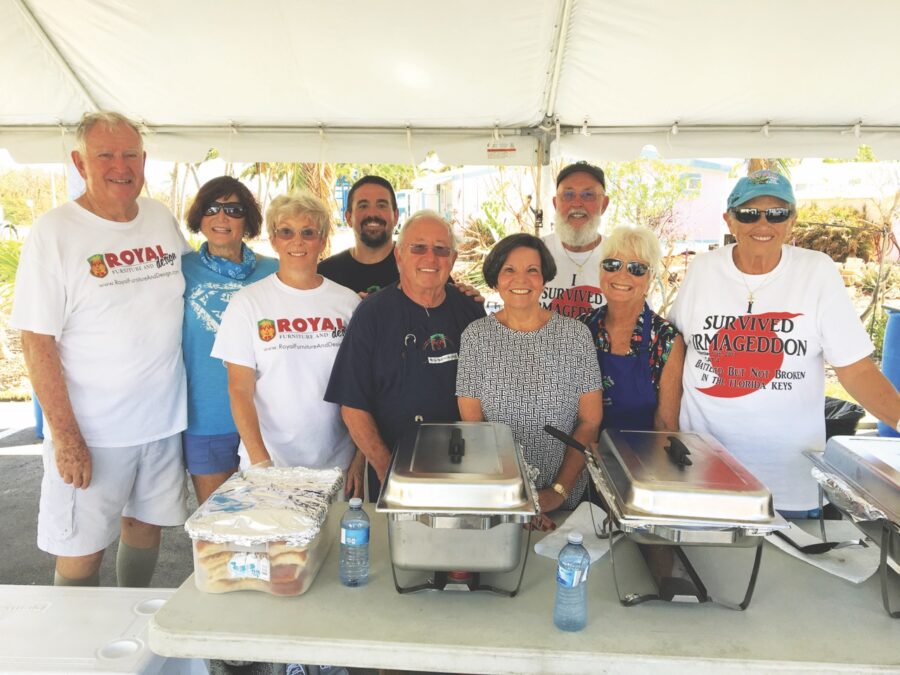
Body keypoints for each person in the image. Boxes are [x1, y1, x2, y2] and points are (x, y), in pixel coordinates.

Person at [11, 111, 189, 587]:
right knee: (80, 550)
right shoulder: (55, 232)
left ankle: (128, 632)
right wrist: (66, 437)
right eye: (105, 155)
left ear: (144, 160)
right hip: (93, 432)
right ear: (79, 161)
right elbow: (36, 341)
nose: (120, 165)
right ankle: (75, 653)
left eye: (130, 154)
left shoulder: (159, 218)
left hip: (162, 423)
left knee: (144, 528)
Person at [669, 169, 900, 514]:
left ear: (792, 220)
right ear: (729, 221)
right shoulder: (703, 269)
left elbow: (855, 369)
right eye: (748, 213)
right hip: (702, 471)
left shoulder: (817, 272)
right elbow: (674, 354)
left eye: (776, 213)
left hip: (787, 482)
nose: (763, 224)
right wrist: (667, 433)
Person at [211, 193, 365, 497]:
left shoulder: (347, 302)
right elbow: (239, 390)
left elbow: (363, 388)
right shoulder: (247, 303)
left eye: (308, 232)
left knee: (333, 545)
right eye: (286, 231)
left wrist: (360, 459)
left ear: (322, 241)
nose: (298, 241)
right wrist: (260, 463)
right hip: (269, 465)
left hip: (337, 466)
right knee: (276, 546)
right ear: (273, 239)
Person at [325, 210, 485, 499]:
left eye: (441, 249)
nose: (430, 258)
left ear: (453, 259)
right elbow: (352, 405)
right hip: (392, 469)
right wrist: (387, 470)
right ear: (399, 256)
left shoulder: (471, 311)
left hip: (462, 469)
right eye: (418, 248)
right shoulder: (371, 314)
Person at [457, 233, 602, 530]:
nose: (520, 279)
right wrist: (516, 498)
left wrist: (556, 493)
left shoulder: (575, 336)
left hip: (567, 502)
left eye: (532, 270)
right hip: (500, 501)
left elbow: (589, 422)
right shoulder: (476, 336)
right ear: (495, 279)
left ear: (544, 278)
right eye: (509, 270)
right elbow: (475, 428)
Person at [181, 176, 277, 505]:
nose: (222, 218)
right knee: (220, 529)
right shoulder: (179, 271)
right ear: (199, 217)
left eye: (234, 210)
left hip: (267, 419)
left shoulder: (275, 271)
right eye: (212, 208)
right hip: (206, 419)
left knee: (272, 523)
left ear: (247, 219)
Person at [579, 226, 685, 431]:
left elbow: (665, 425)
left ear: (650, 278)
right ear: (601, 271)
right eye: (612, 265)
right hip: (581, 454)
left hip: (639, 458)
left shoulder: (666, 339)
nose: (622, 275)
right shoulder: (581, 328)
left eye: (636, 268)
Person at [541, 162, 610, 317]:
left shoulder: (620, 256)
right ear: (555, 203)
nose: (577, 203)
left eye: (588, 195)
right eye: (568, 195)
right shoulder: (535, 251)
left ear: (604, 204)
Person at [318, 175, 400, 296]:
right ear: (348, 218)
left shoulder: (415, 267)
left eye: (381, 205)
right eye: (363, 206)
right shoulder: (326, 274)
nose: (373, 213)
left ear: (396, 216)